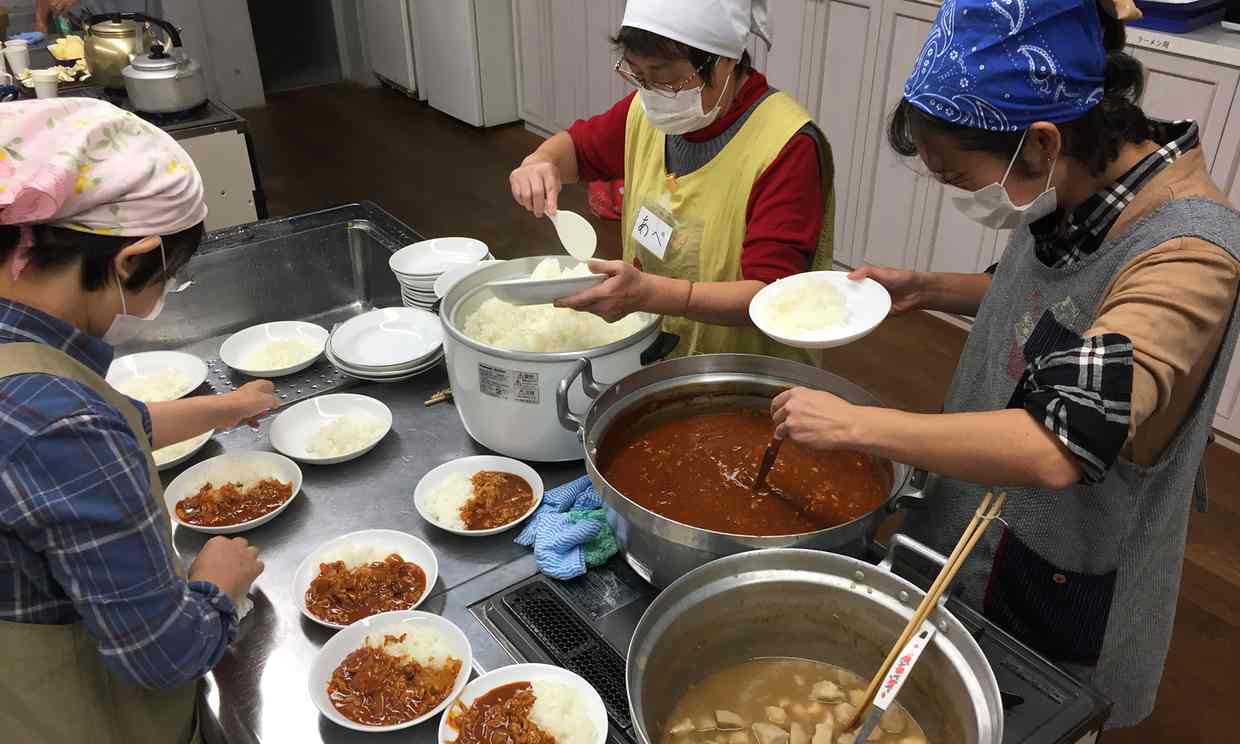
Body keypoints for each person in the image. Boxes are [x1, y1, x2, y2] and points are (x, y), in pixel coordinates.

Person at [771, 0, 1240, 728]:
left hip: (1067, 545)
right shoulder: (1078, 178)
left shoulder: (1191, 252)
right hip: (982, 508)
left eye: (961, 179)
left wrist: (861, 426)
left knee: (1033, 709)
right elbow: (1051, 297)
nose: (964, 198)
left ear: (1043, 142)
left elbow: (1055, 447)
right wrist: (929, 288)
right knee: (951, 674)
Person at [0, 99, 272, 743]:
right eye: (169, 276)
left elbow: (90, 435)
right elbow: (162, 655)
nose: (161, 294)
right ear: (132, 260)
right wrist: (216, 585)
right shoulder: (64, 427)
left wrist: (232, 406)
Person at [508, 0, 835, 362]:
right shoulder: (647, 111)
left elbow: (769, 296)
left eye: (667, 77)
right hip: (662, 354)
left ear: (725, 60)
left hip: (750, 374)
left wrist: (658, 296)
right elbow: (579, 149)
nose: (651, 91)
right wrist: (541, 161)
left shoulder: (787, 146)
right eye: (636, 72)